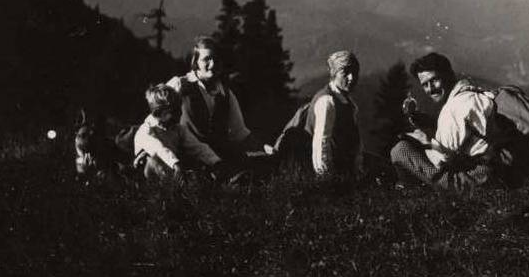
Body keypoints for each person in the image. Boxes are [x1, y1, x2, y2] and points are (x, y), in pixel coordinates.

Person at [389, 52, 502, 191]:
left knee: (400, 150)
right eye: (425, 85)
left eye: (434, 80)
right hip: (492, 168)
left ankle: (417, 193)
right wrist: (431, 125)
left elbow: (443, 161)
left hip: (476, 179)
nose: (431, 89)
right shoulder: (471, 94)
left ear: (448, 75)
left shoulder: (452, 109)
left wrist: (423, 140)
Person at [167, 36, 271, 168]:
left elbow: (239, 133)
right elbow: (157, 115)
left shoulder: (226, 94)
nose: (212, 64)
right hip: (188, 156)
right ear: (196, 63)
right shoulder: (180, 85)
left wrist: (264, 147)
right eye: (206, 59)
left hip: (219, 157)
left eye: (215, 59)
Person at [274, 50, 364, 177]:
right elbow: (321, 144)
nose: (351, 78)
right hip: (323, 175)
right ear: (334, 73)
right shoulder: (327, 102)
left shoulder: (349, 104)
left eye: (355, 72)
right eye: (345, 72)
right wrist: (326, 179)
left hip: (343, 173)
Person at [133, 83, 221, 184]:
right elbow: (159, 149)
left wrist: (215, 161)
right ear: (159, 113)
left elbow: (196, 146)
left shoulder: (177, 128)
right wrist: (175, 164)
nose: (179, 113)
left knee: (194, 161)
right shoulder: (147, 131)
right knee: (152, 160)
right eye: (173, 111)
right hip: (150, 172)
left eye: (179, 109)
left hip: (172, 166)